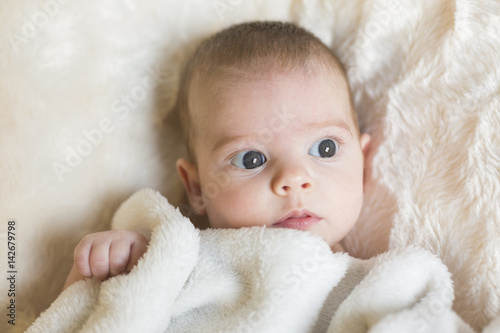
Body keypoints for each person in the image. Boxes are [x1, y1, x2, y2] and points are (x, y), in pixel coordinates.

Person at [63, 21, 371, 290]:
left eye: (325, 148)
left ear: (363, 160)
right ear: (196, 188)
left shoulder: (376, 283)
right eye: (251, 159)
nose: (294, 178)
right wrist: (97, 274)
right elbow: (81, 318)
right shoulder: (174, 260)